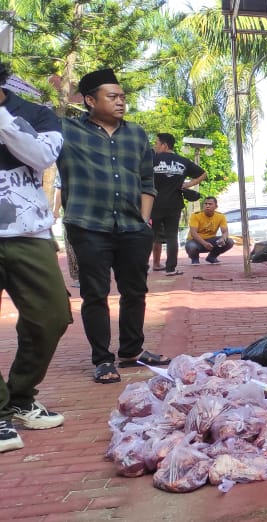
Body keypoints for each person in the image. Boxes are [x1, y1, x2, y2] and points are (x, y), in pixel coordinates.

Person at [57, 68, 170, 384]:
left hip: (132, 228)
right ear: (90, 101)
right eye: (112, 96)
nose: (121, 102)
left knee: (135, 291)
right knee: (95, 294)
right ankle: (103, 360)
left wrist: (143, 221)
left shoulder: (136, 134)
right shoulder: (66, 131)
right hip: (88, 225)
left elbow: (147, 180)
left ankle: (132, 351)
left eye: (122, 96)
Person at [0, 60, 71, 452]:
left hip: (28, 232)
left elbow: (41, 157)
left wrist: (2, 117)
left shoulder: (36, 114)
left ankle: (20, 396)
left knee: (52, 316)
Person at [150, 132, 206, 276]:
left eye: (156, 143)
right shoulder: (182, 161)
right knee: (171, 236)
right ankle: (170, 269)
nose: (155, 146)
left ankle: (142, 268)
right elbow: (203, 174)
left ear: (164, 145)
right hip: (174, 204)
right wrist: (187, 184)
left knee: (149, 236)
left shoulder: (152, 160)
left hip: (153, 203)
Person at [50, 171, 79, 287]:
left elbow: (59, 188)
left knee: (72, 244)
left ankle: (80, 277)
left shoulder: (64, 163)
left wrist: (55, 210)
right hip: (93, 212)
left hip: (71, 212)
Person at [185, 196, 233, 264]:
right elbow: (193, 233)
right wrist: (204, 243)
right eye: (205, 204)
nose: (207, 206)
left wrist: (223, 239)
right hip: (195, 241)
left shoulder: (221, 216)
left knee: (229, 241)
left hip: (211, 240)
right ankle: (195, 259)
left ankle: (212, 257)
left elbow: (225, 231)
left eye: (210, 204)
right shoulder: (195, 215)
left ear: (216, 206)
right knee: (192, 246)